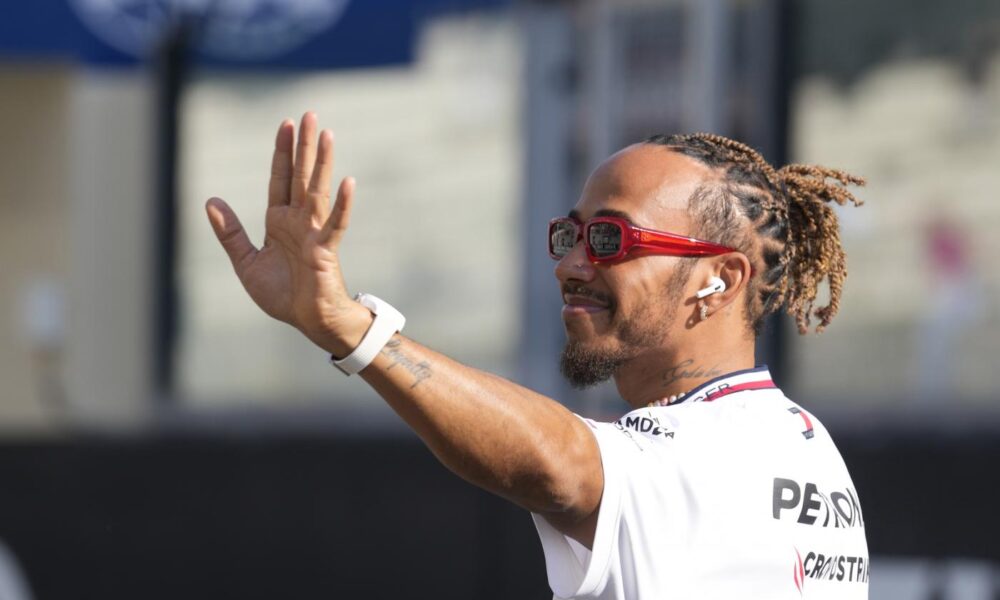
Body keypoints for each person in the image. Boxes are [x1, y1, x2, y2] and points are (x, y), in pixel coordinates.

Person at [205, 113, 869, 600]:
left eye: (610, 238)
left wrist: (355, 331)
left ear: (719, 279)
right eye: (568, 235)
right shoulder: (801, 444)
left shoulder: (714, 448)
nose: (570, 265)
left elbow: (562, 464)